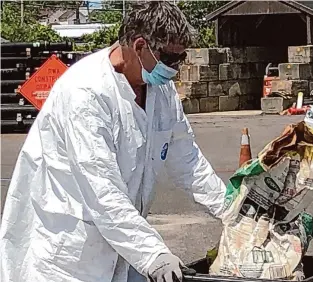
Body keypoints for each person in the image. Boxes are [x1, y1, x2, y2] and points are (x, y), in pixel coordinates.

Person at [0, 2, 226, 282]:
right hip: (72, 256)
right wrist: (153, 254)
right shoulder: (85, 93)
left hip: (124, 243)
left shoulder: (161, 91)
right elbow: (102, 190)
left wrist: (232, 211)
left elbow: (188, 160)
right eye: (170, 59)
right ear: (140, 46)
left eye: (181, 59)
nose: (176, 69)